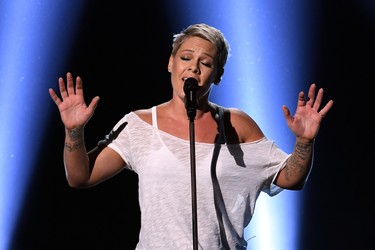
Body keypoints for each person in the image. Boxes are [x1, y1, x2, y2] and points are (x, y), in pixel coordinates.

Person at [49, 23, 334, 249]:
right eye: (186, 58)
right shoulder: (139, 124)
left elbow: (290, 178)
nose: (193, 67)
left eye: (206, 63)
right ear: (171, 64)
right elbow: (80, 177)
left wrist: (304, 142)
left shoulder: (238, 125)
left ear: (217, 75)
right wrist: (74, 131)